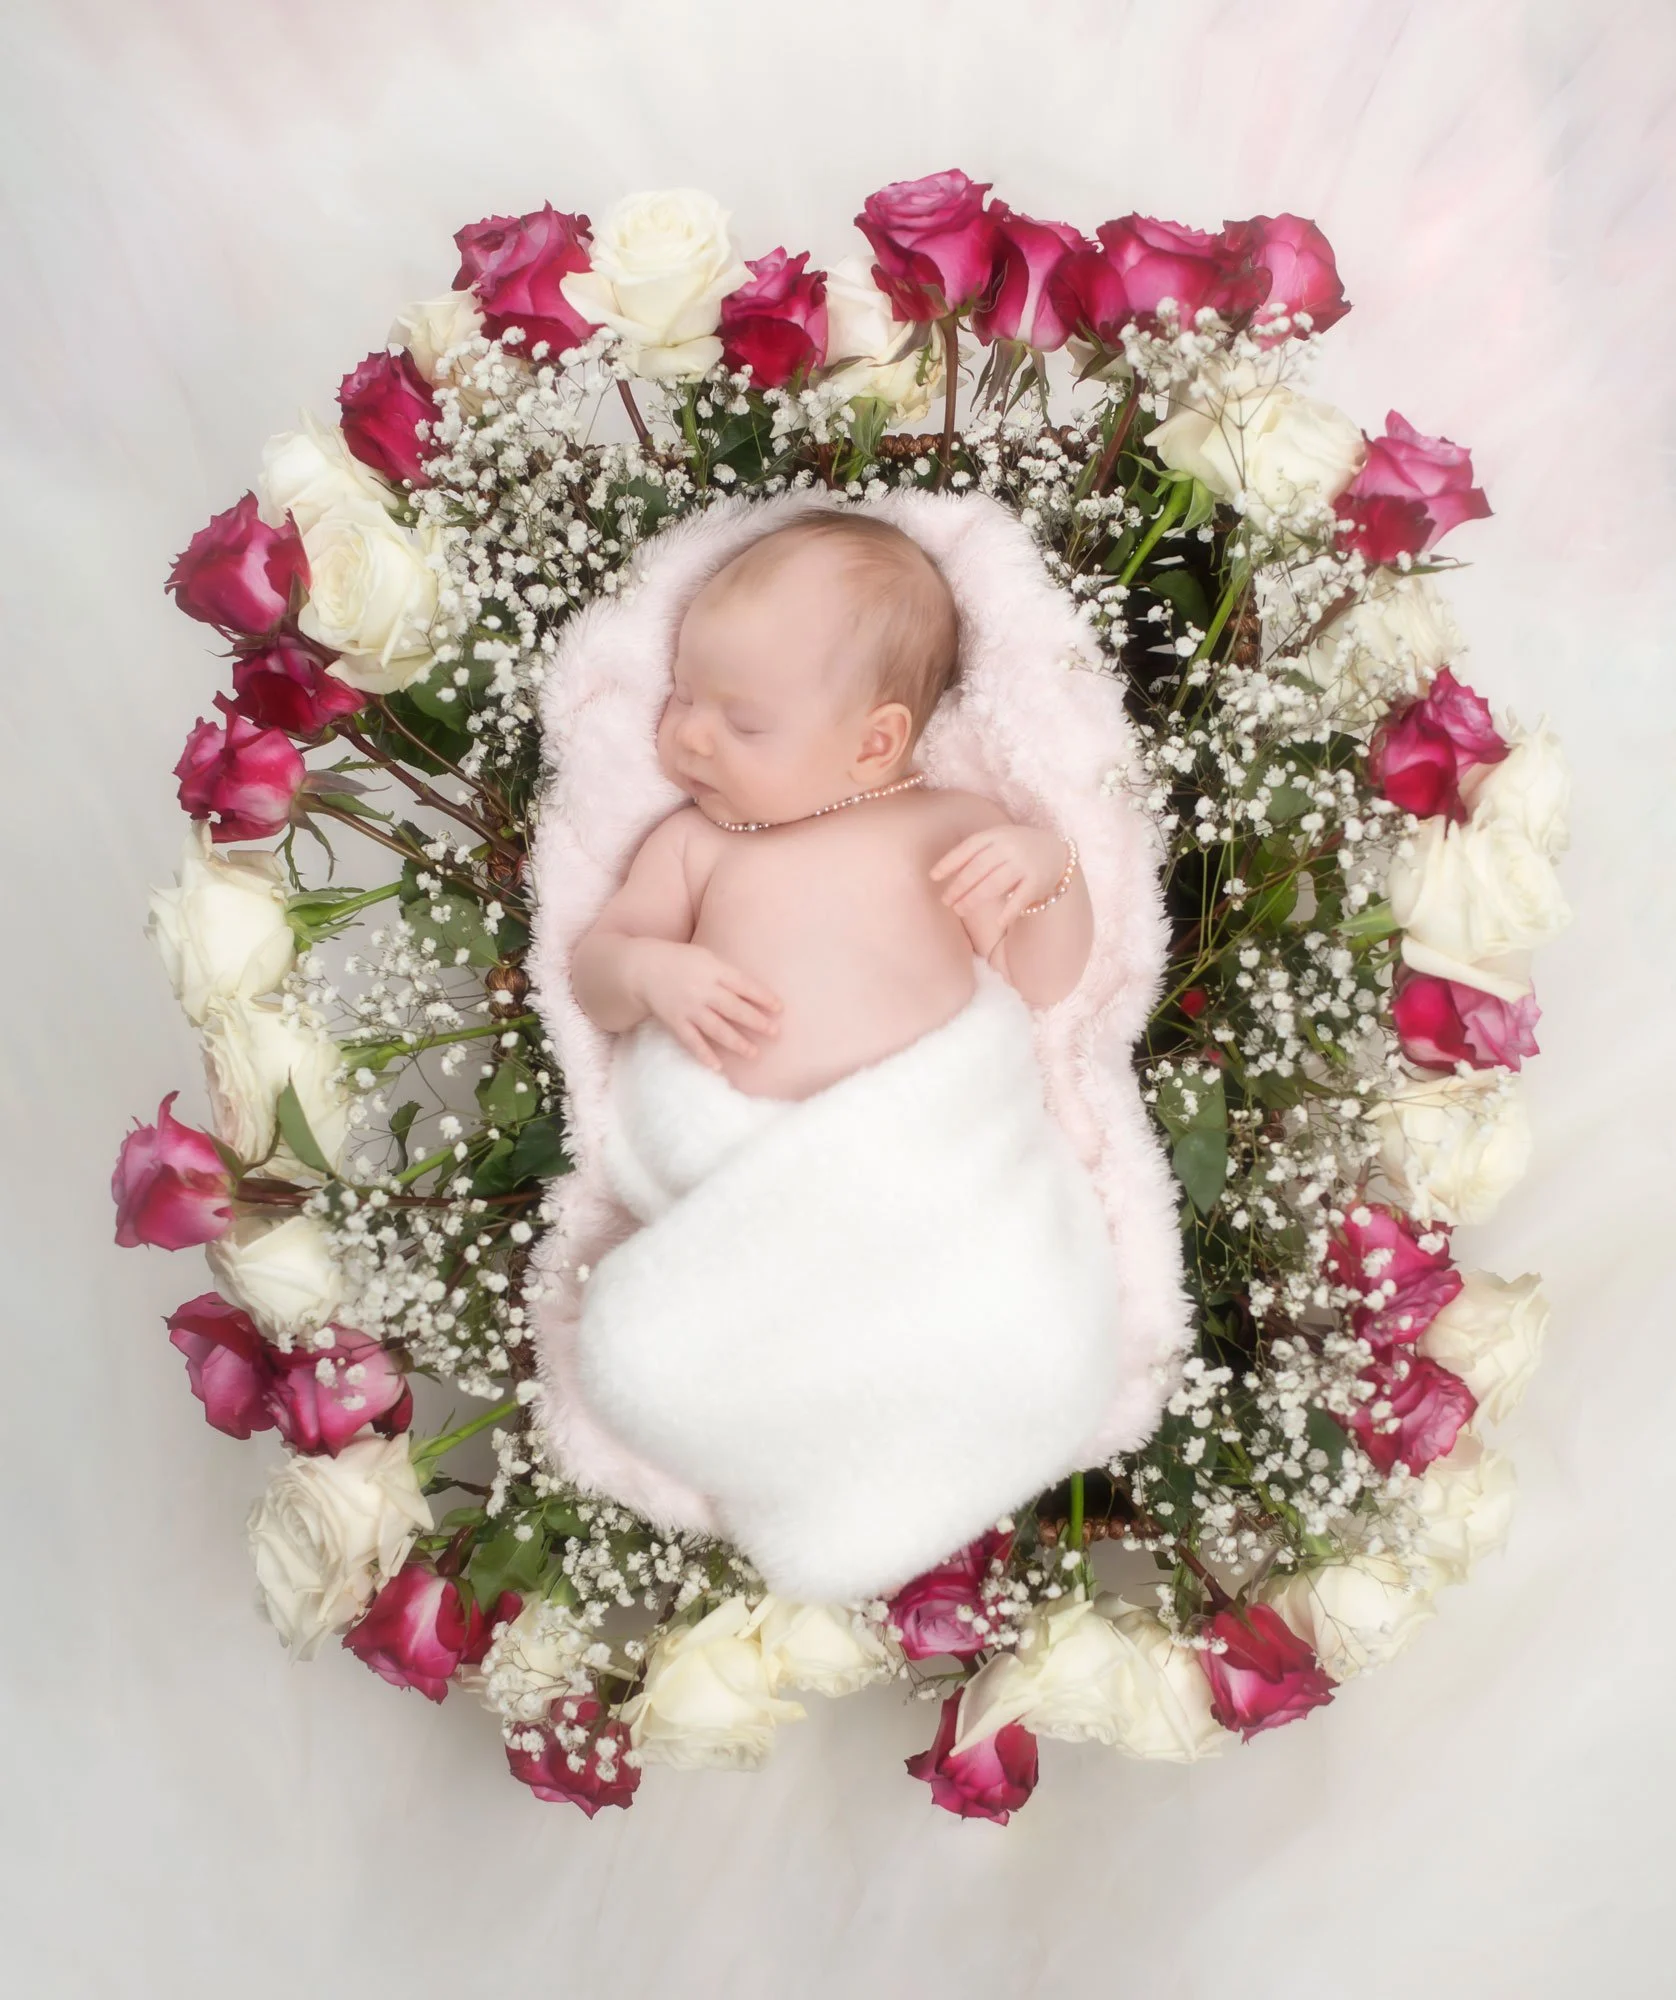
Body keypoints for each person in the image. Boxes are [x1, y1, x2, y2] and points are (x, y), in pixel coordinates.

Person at [569, 509, 1093, 1103]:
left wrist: (1051, 874)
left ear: (874, 745)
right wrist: (645, 974)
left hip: (931, 1121)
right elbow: (594, 976)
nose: (690, 734)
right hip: (743, 1137)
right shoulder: (694, 843)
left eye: (745, 724)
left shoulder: (950, 828)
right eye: (684, 694)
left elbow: (1040, 981)